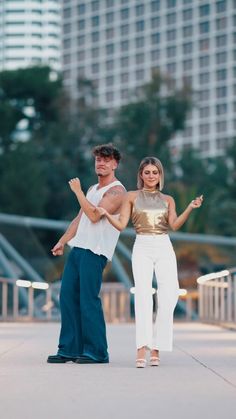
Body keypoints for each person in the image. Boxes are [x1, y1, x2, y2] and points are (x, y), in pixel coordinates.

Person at [95, 156, 203, 368]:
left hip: (164, 245)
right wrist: (106, 213)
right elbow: (121, 224)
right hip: (142, 245)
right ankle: (141, 349)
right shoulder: (131, 196)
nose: (151, 176)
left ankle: (157, 348)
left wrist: (190, 207)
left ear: (160, 175)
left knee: (169, 294)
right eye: (147, 172)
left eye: (155, 172)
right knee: (143, 295)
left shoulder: (168, 199)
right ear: (141, 175)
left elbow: (175, 225)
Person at [47, 144, 126, 364]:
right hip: (78, 248)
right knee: (67, 298)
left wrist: (78, 192)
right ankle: (69, 349)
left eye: (106, 160)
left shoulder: (117, 191)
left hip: (96, 251)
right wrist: (63, 241)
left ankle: (98, 352)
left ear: (115, 164)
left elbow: (93, 215)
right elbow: (79, 218)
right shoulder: (92, 189)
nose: (101, 163)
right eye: (98, 160)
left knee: (88, 299)